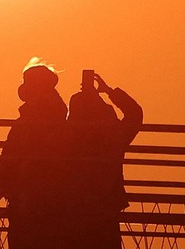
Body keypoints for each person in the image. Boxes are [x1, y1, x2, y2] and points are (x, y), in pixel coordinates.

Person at [0, 62, 68, 249]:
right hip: (54, 205)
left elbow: (8, 162)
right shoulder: (62, 122)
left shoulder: (27, 124)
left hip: (27, 203)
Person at [62, 72, 142, 249]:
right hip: (106, 203)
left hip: (72, 205)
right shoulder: (114, 135)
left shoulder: (66, 137)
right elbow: (135, 113)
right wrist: (108, 91)